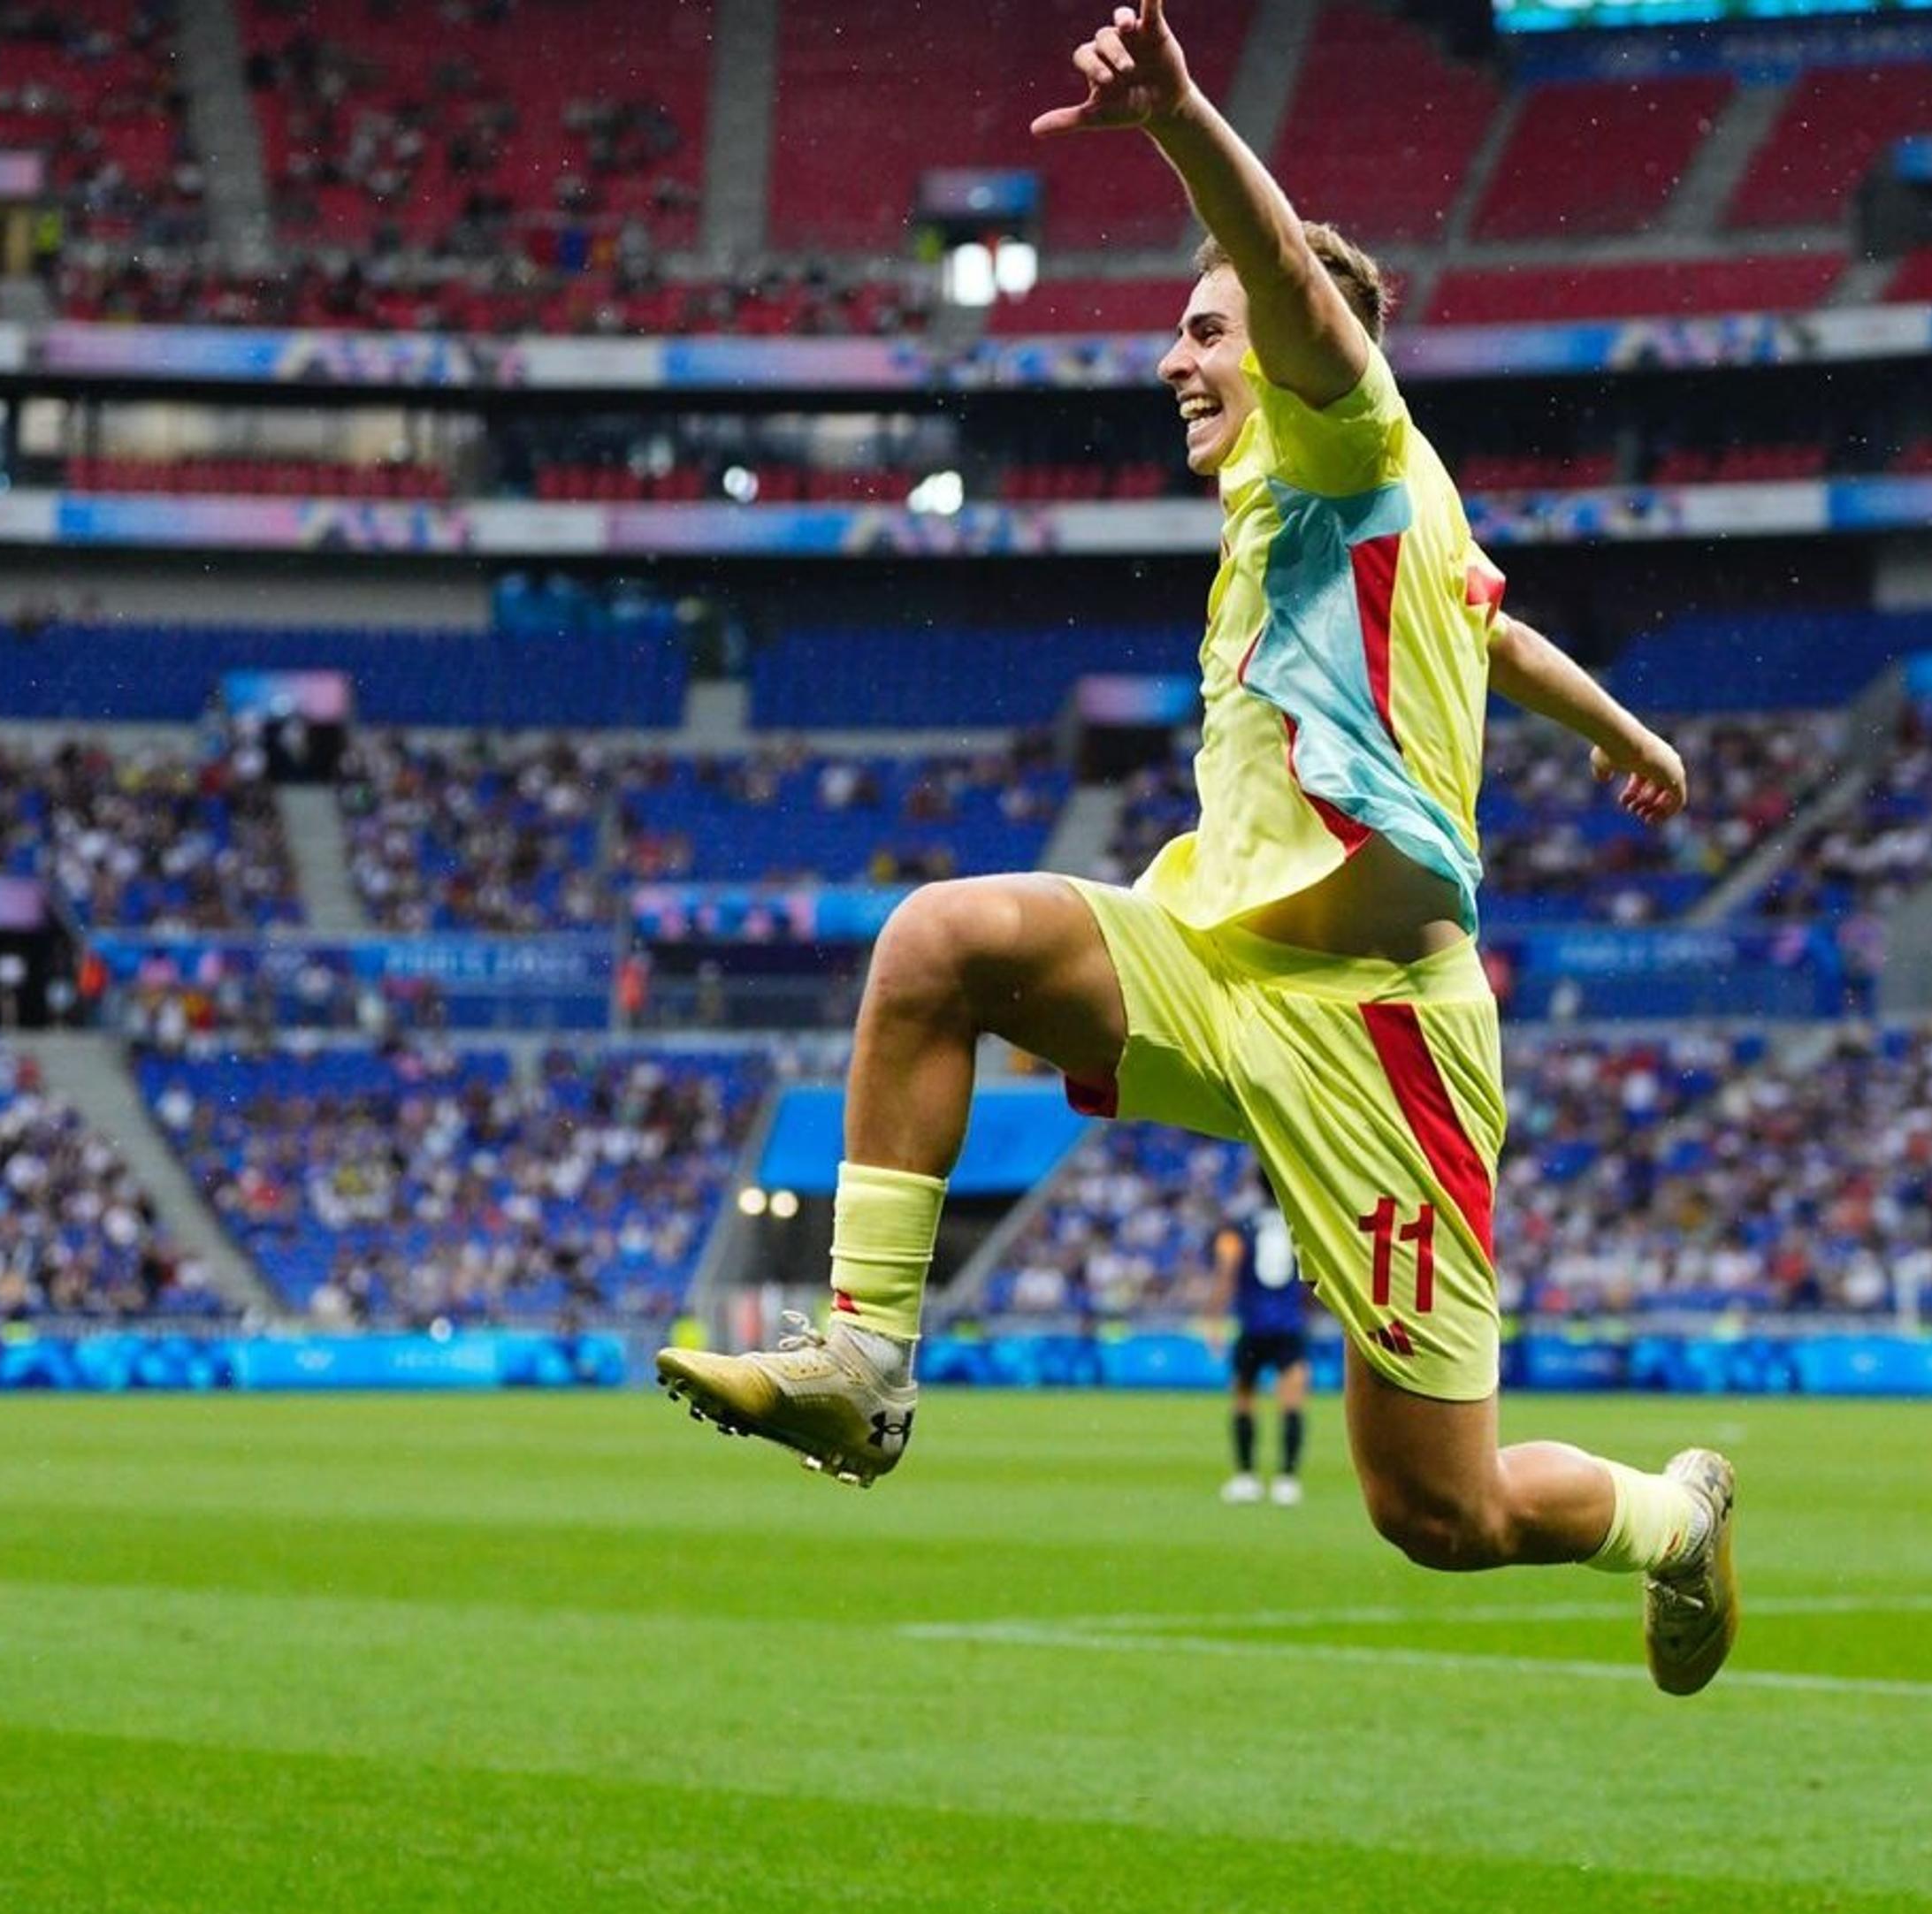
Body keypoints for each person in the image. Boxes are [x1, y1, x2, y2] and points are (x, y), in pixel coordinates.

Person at [656, 0, 1741, 1696]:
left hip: (1385, 1035)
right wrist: (1629, 738)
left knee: (1434, 1513)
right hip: (1221, 963)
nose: (1175, 358)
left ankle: (1675, 1522)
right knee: (938, 942)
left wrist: (1176, 119)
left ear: (1307, 352)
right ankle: (866, 1362)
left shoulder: (1353, 434)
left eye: (1202, 328)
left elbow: (1304, 301)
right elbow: (1491, 629)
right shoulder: (1329, 515)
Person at [1212, 1199, 1311, 1505]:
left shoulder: (1241, 1224)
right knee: (1292, 1401)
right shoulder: (1301, 1219)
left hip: (1252, 1324)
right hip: (1288, 1325)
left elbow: (1227, 1270)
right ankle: (1287, 1480)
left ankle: (1246, 1478)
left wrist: (1214, 1316)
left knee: (1243, 1399)